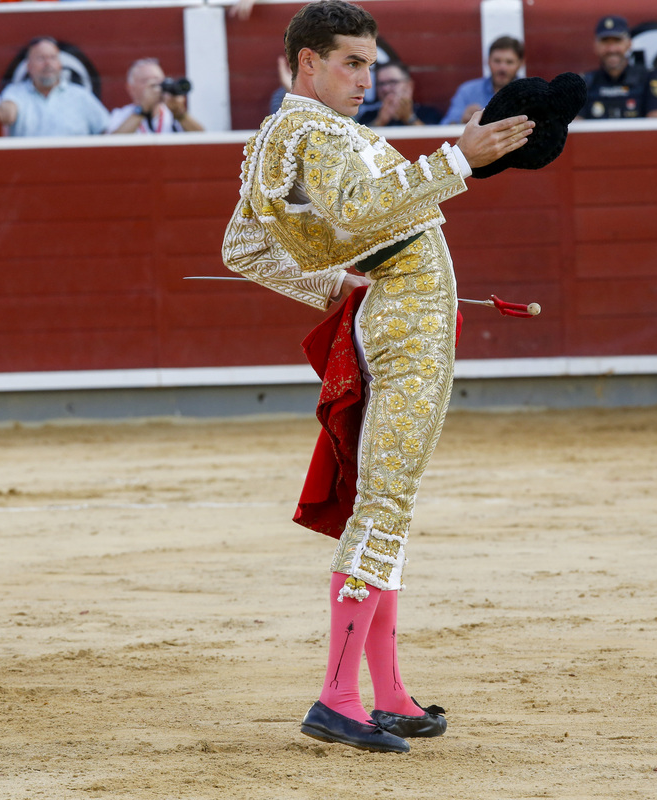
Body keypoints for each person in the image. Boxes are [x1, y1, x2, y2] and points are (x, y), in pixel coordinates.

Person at [221, 0, 533, 754]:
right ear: (308, 63)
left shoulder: (305, 132)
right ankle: (336, 696)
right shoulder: (314, 130)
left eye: (370, 62)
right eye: (351, 62)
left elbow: (241, 245)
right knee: (385, 503)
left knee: (390, 501)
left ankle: (386, 693)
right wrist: (457, 161)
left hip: (395, 310)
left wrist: (335, 287)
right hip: (408, 319)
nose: (368, 76)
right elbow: (358, 212)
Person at [0, 37, 110, 137]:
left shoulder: (81, 96)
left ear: (60, 64)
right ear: (28, 66)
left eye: (53, 58)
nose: (48, 63)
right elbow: (7, 115)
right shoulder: (16, 93)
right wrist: (6, 109)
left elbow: (106, 130)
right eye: (41, 58)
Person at [579, 15, 657, 120]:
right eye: (605, 42)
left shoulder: (647, 78)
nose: (611, 49)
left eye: (617, 41)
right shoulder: (584, 83)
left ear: (629, 44)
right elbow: (575, 129)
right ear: (596, 46)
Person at [439, 35, 524, 124]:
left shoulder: (529, 93)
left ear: (520, 63)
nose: (502, 68)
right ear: (488, 61)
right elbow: (444, 128)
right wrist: (461, 120)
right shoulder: (468, 91)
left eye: (509, 62)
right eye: (497, 61)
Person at [107, 58, 203, 134]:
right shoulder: (120, 115)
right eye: (145, 81)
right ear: (131, 88)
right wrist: (142, 110)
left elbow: (203, 140)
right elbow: (112, 143)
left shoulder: (173, 114)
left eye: (157, 80)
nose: (154, 86)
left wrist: (180, 114)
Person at [357, 61, 442, 127]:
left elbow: (433, 142)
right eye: (381, 84)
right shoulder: (368, 116)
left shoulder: (428, 114)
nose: (385, 89)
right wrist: (380, 121)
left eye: (392, 82)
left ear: (409, 86)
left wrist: (409, 118)